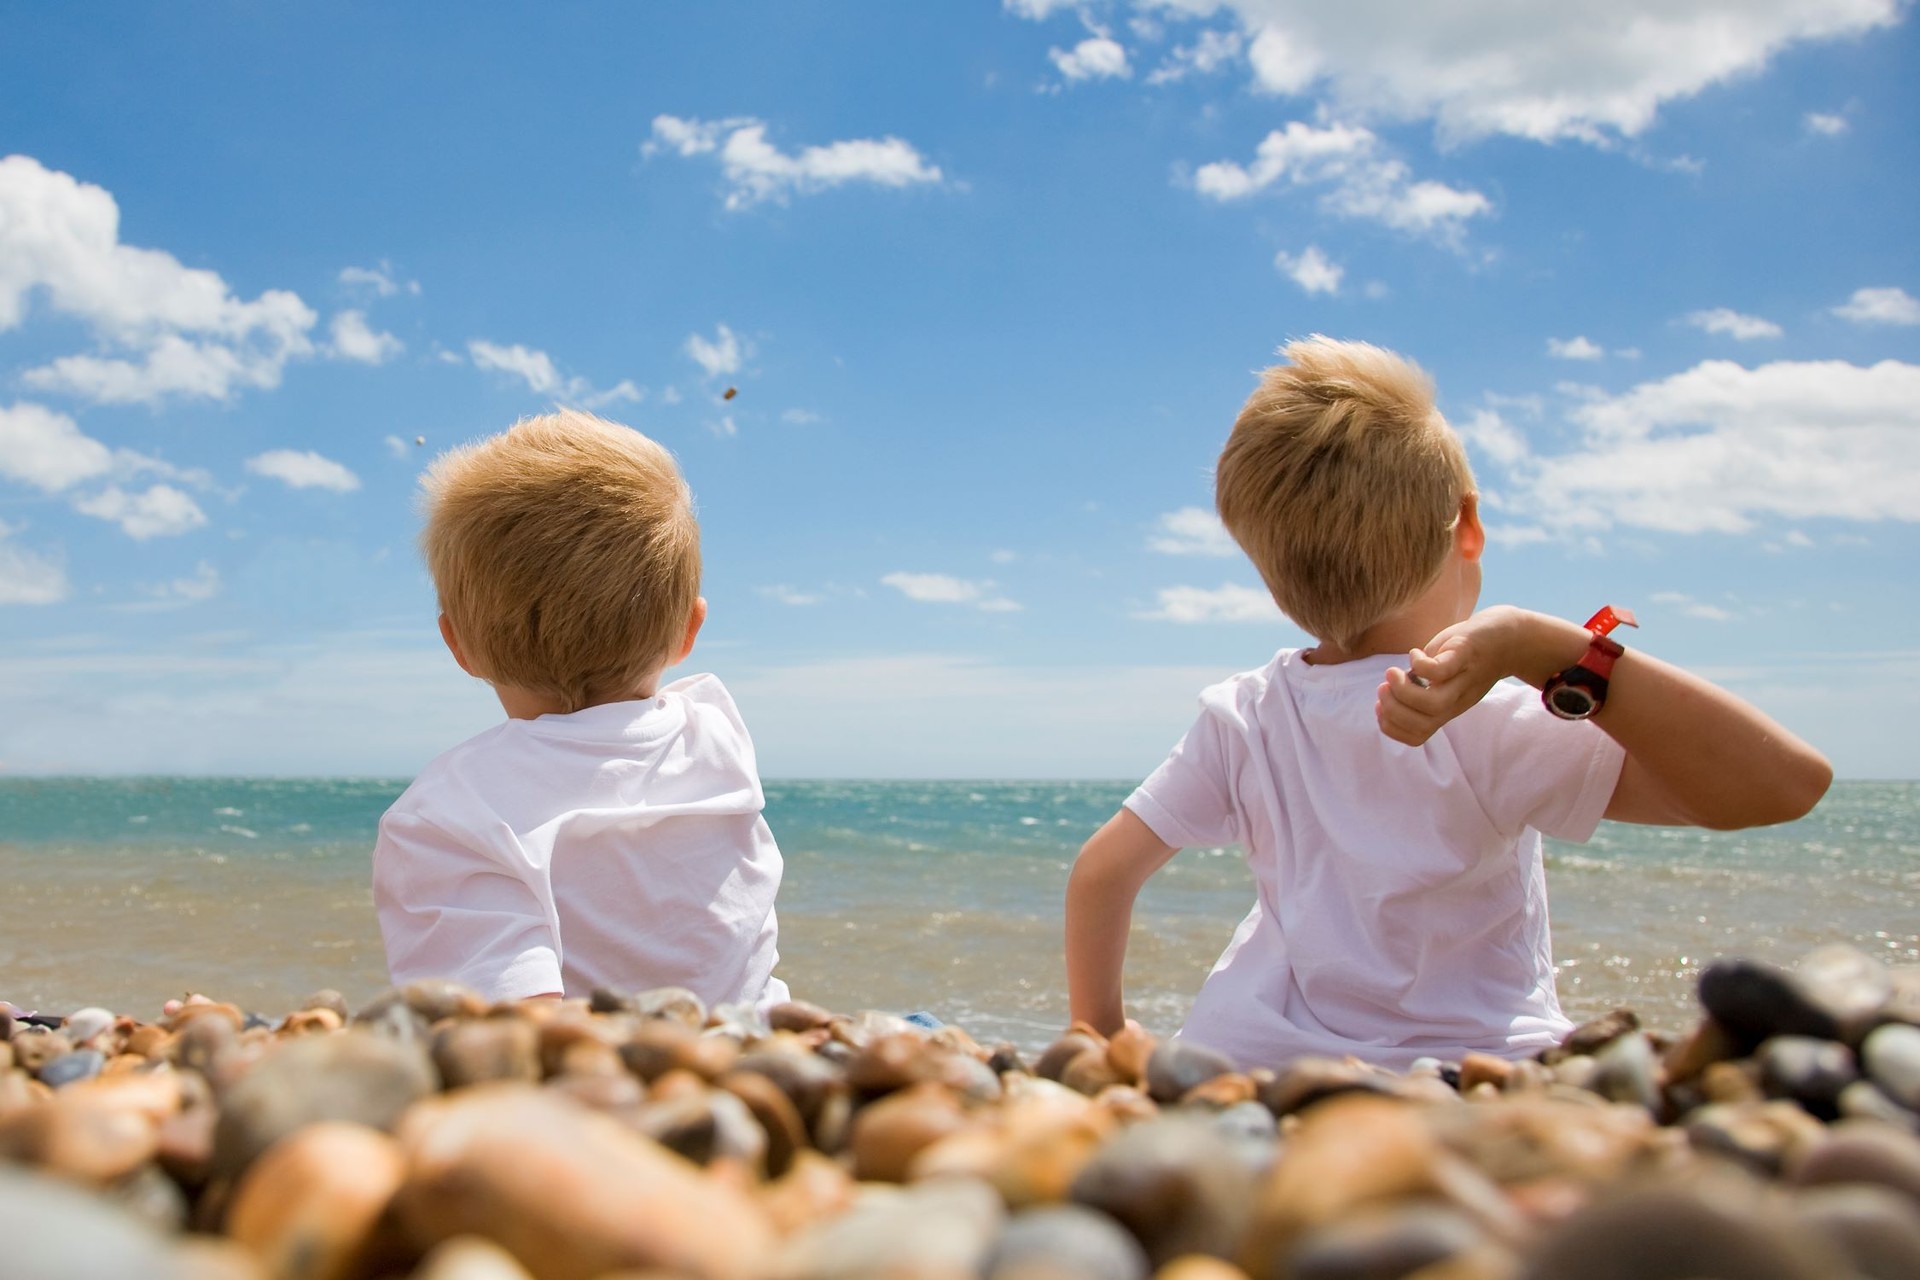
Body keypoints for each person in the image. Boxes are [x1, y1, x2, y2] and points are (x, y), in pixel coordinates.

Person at [1065, 337, 1831, 1069]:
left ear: (1268, 572)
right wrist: (1551, 648)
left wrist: (1099, 1038)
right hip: (1469, 1065)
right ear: (1468, 525)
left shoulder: (1245, 714)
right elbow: (1782, 785)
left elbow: (1103, 874)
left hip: (1249, 1056)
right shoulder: (1486, 718)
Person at [373, 409, 790, 1010]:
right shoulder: (716, 732)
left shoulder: (446, 812)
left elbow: (511, 1019)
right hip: (763, 1040)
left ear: (456, 644)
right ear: (688, 631)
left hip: (611, 1083)